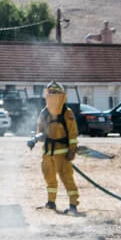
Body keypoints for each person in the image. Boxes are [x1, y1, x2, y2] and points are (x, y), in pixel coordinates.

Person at [33, 81, 81, 213]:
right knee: (49, 179)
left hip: (63, 153)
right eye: (51, 92)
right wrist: (36, 137)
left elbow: (72, 133)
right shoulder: (44, 112)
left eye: (56, 92)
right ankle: (51, 202)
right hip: (48, 152)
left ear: (61, 95)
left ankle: (73, 205)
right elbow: (40, 131)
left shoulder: (67, 113)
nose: (53, 95)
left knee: (67, 178)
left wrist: (72, 150)